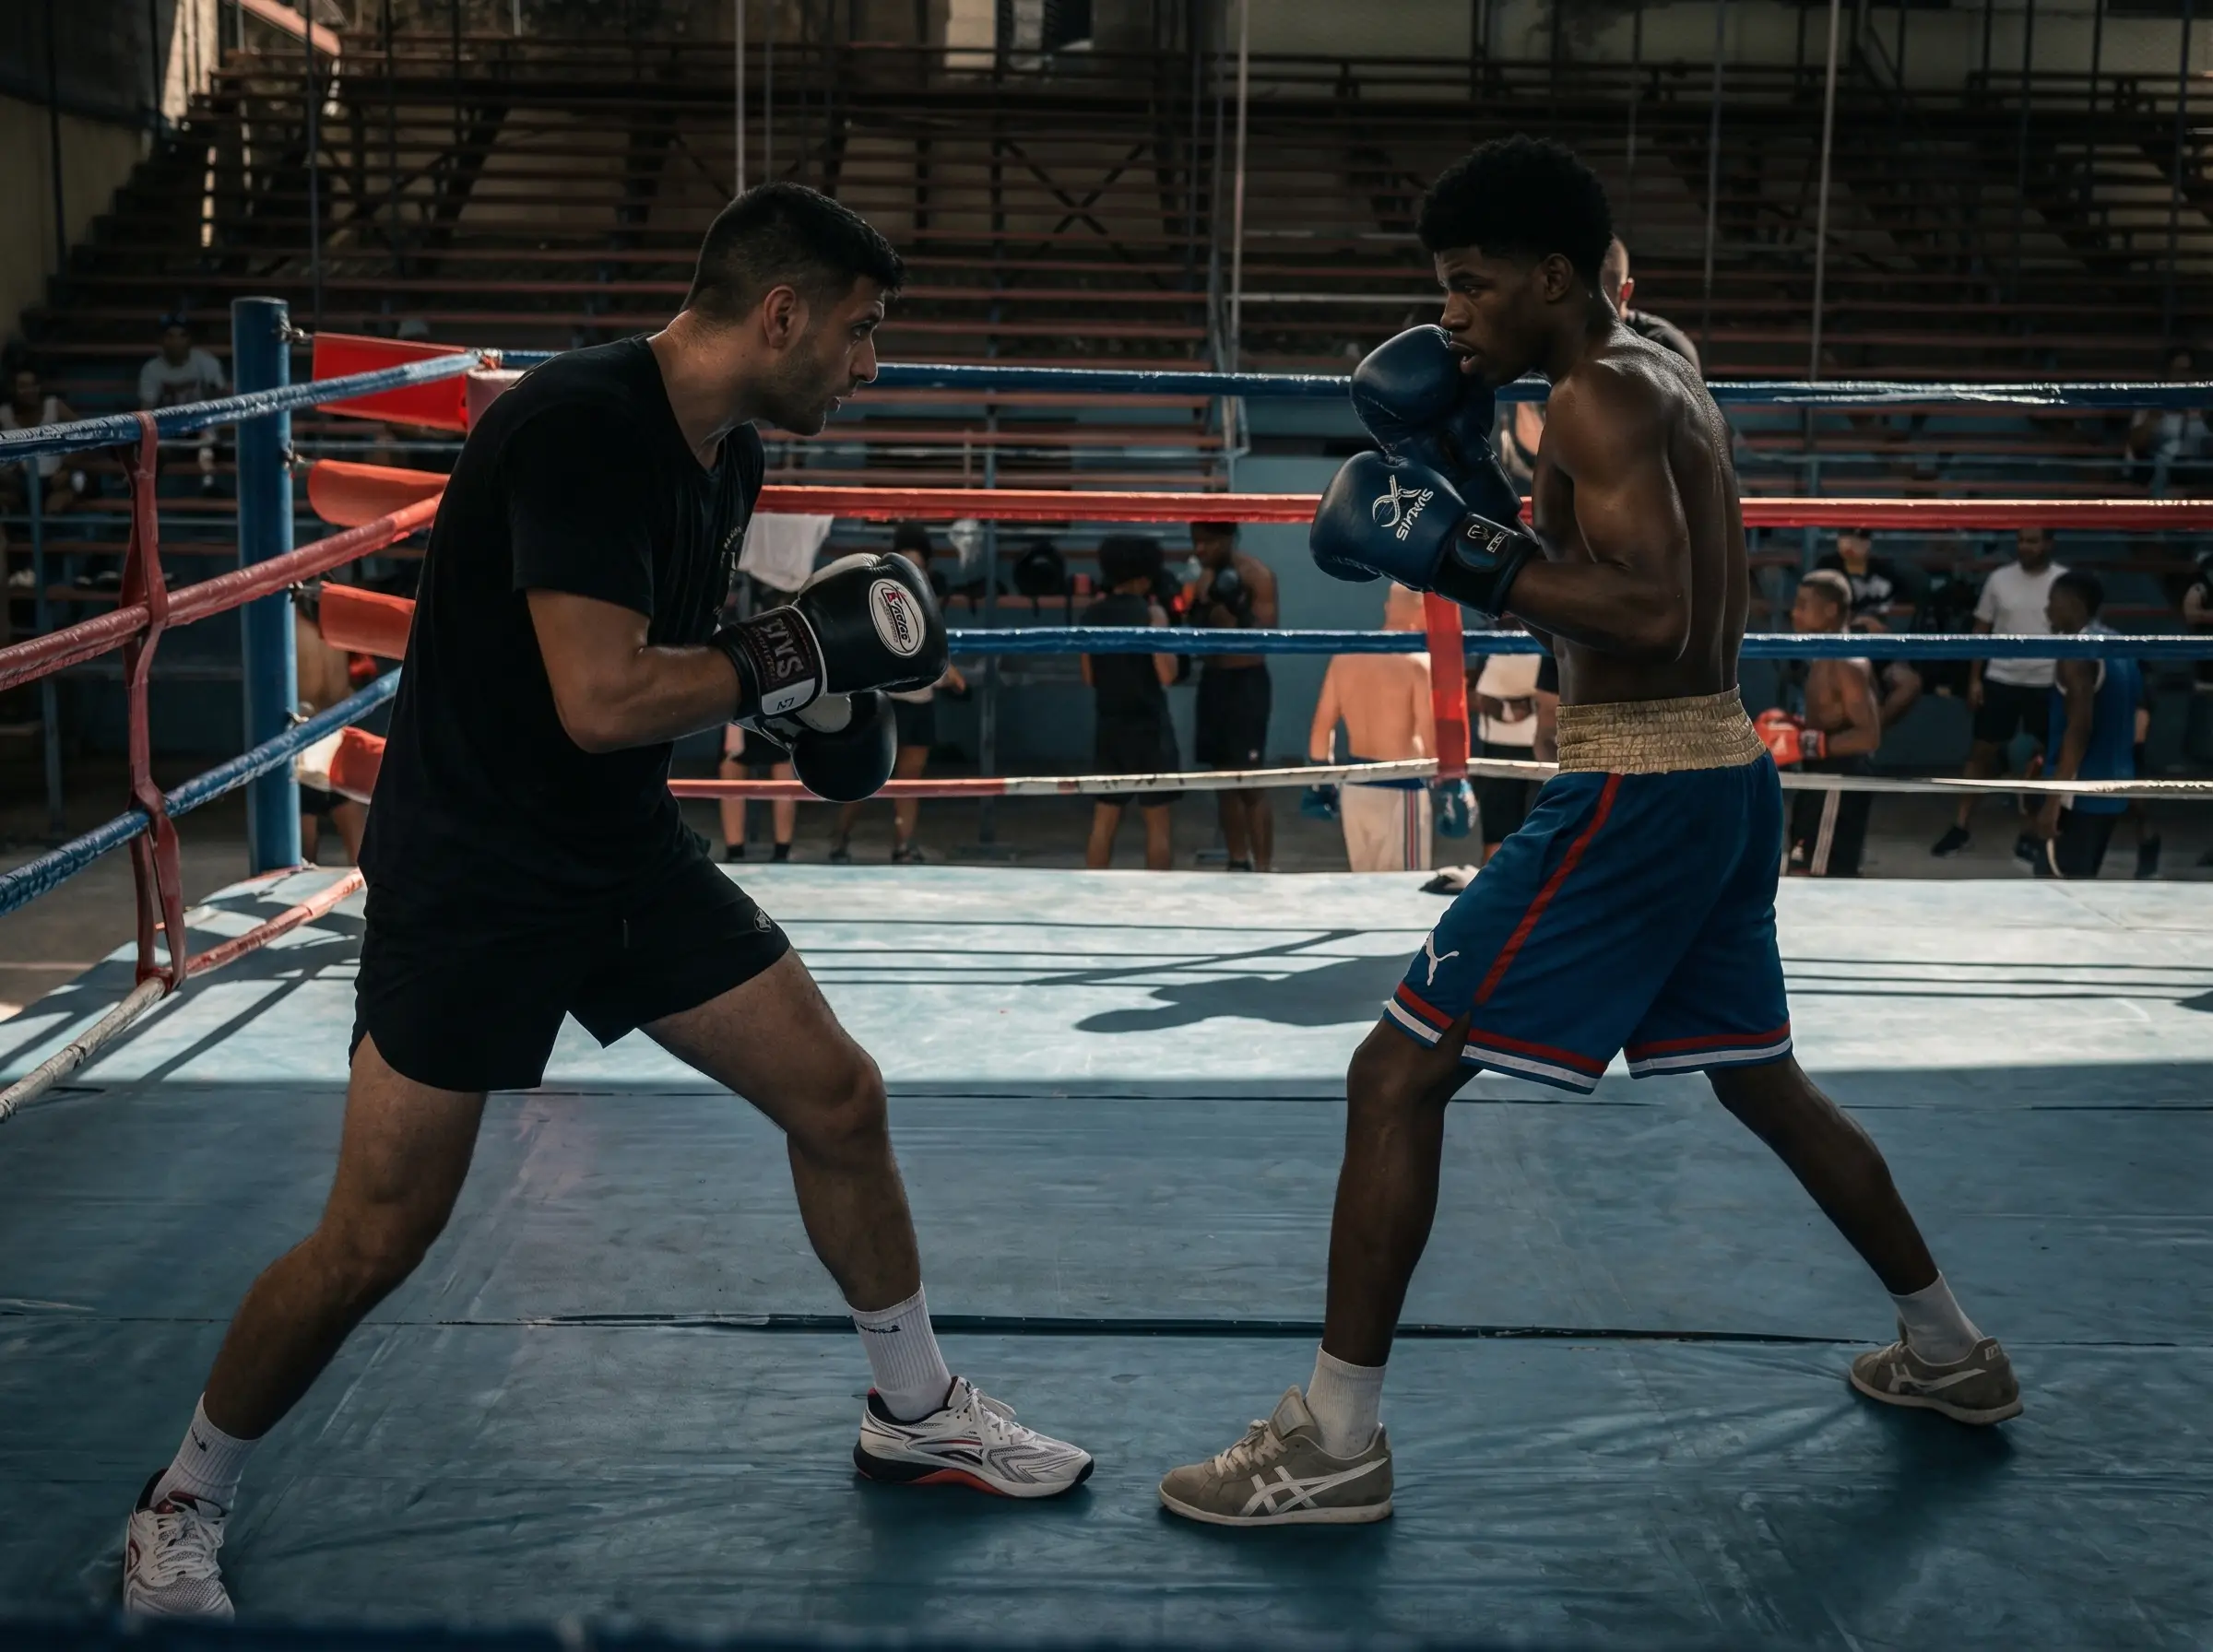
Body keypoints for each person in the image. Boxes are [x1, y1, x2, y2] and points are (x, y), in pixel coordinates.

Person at [120, 183, 1092, 1622]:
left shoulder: (728, 456)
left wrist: (804, 692)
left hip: (619, 857)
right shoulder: (581, 428)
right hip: (474, 876)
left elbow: (678, 648)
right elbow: (601, 696)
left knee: (839, 1097)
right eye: (862, 333)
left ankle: (914, 1409)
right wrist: (790, 657)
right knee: (375, 1238)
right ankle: (182, 1499)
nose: (869, 367)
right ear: (782, 313)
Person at [1159, 136, 2017, 1529]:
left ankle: (1332, 1441)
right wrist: (1486, 506)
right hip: (1719, 775)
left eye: (1472, 288)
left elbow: (1648, 614)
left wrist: (1459, 549)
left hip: (1637, 787)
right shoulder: (1656, 362)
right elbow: (1615, 568)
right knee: (1766, 1082)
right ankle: (1950, 1351)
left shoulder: (1598, 397)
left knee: (1394, 1079)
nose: (1450, 320)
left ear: (1552, 277)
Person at [1501, 236, 1698, 484]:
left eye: (1598, 294)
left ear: (1625, 291)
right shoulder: (1548, 342)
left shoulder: (1665, 347)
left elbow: (1680, 446)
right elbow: (1529, 433)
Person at [833, 522, 965, 863]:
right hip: (884, 703)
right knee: (865, 777)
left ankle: (902, 847)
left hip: (921, 704)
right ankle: (840, 840)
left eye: (916, 566)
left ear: (927, 568)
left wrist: (949, 674)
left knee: (909, 781)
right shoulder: (879, 599)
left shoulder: (933, 605)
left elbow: (934, 654)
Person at [1931, 526, 2066, 858]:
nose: (2026, 546)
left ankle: (2034, 832)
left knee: (2046, 759)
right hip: (2001, 677)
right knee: (1980, 754)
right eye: (2021, 540)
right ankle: (1961, 826)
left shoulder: (2063, 581)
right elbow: (1982, 628)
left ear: (2048, 543)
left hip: (2046, 680)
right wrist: (1975, 679)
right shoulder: (1999, 579)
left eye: (2033, 540)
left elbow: (2074, 632)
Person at [1307, 584, 1439, 872]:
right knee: (1406, 892)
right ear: (1424, 614)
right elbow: (1431, 743)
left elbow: (1320, 731)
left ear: (1388, 608)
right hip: (1402, 786)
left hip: (1355, 788)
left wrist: (1322, 782)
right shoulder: (1417, 664)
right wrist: (1451, 785)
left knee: (1364, 889)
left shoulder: (1345, 659)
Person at [1759, 571, 1882, 878]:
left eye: (1803, 604)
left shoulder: (1845, 662)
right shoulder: (1824, 656)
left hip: (1838, 778)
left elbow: (1868, 736)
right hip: (1824, 774)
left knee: (1825, 875)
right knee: (1804, 865)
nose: (1795, 612)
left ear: (1830, 610)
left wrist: (1806, 743)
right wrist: (1799, 729)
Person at [2028, 571, 2142, 879]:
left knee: (2057, 891)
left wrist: (2053, 802)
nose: (2047, 610)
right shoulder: (2119, 644)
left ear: (2073, 604)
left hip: (2078, 795)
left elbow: (2079, 731)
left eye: (2053, 602)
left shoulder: (2077, 654)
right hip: (2113, 785)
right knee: (2082, 884)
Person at [1185, 519, 1279, 871]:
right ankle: (1237, 860)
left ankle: (1266, 866)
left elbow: (1267, 636)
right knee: (1222, 780)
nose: (1200, 550)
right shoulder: (1203, 579)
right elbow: (1194, 636)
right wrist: (1198, 608)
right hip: (1214, 682)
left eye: (1207, 543)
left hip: (1246, 683)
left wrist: (1239, 608)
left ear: (1227, 539)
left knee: (1251, 780)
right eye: (1196, 542)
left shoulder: (1257, 575)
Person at [1083, 534, 1181, 869]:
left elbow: (1089, 676)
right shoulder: (1151, 614)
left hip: (1109, 723)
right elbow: (1167, 674)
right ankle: (1158, 905)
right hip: (1149, 724)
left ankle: (1093, 897)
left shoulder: (1092, 614)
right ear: (1145, 574)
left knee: (1104, 821)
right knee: (1158, 823)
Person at [1816, 526, 1923, 730]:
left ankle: (1872, 732)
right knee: (1863, 676)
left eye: (1859, 539)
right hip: (1841, 649)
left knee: (1910, 683)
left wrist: (1882, 615)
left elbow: (1909, 604)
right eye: (1845, 537)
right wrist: (1863, 619)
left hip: (1880, 648)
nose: (1850, 544)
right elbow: (1822, 611)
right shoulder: (1827, 567)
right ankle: (1864, 736)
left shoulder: (1883, 569)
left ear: (1868, 543)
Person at [1469, 628, 1555, 861]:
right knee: (1498, 832)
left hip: (1539, 751)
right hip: (1498, 749)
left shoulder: (1549, 640)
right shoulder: (1489, 641)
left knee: (1539, 829)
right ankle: (1495, 892)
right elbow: (1476, 693)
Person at [137, 316, 229, 493]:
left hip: (200, 421)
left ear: (190, 339)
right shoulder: (152, 369)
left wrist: (212, 394)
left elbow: (221, 398)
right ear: (162, 340)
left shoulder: (205, 361)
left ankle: (209, 483)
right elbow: (146, 408)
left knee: (207, 438)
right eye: (170, 336)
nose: (176, 341)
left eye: (181, 335)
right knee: (151, 444)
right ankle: (142, 494)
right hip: (168, 425)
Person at [2125, 344, 2212, 497]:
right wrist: (2155, 415)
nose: (2182, 377)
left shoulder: (2206, 406)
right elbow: (2136, 445)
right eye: (2177, 371)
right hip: (2158, 467)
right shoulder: (2151, 404)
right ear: (2167, 373)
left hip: (2197, 468)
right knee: (2160, 468)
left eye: (2187, 371)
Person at [0, 367, 87, 517]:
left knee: (57, 503)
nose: (29, 391)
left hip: (55, 477)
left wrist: (67, 466)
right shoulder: (4, 414)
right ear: (13, 389)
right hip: (20, 482)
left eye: (33, 385)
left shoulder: (53, 406)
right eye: (23, 386)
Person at [717, 720, 795, 862]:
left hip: (779, 715)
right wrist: (733, 725)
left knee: (785, 767)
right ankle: (734, 851)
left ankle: (782, 851)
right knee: (731, 767)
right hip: (743, 716)